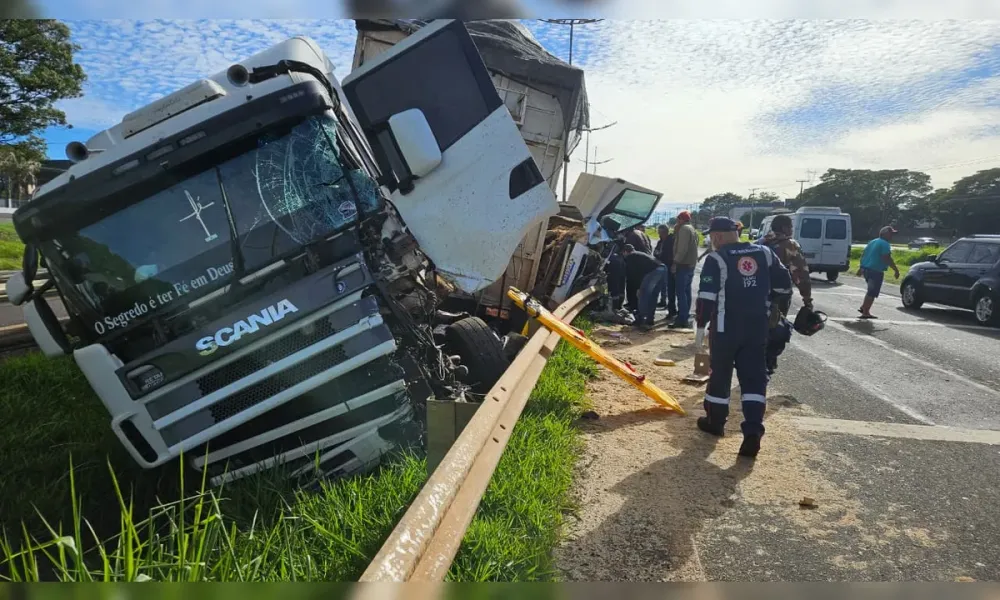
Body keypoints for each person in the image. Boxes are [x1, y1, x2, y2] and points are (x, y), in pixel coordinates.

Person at [694, 217, 793, 459]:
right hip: (757, 329)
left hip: (726, 329)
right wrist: (770, 307)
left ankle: (715, 422)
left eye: (711, 236)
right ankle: (752, 431)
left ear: (717, 236)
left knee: (720, 377)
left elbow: (706, 299)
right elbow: (784, 286)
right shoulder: (764, 253)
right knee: (754, 379)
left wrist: (699, 329)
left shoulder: (716, 259)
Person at [758, 214, 814, 374]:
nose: (791, 230)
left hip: (757, 294)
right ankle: (768, 364)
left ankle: (756, 359)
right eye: (790, 227)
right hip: (779, 296)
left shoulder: (760, 243)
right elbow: (801, 274)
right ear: (784, 228)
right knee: (776, 330)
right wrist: (807, 298)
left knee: (758, 328)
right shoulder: (790, 245)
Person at [858, 225, 900, 319]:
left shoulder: (873, 241)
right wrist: (896, 270)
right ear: (885, 234)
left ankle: (864, 307)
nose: (892, 236)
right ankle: (865, 312)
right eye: (891, 234)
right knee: (872, 292)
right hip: (875, 270)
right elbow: (886, 258)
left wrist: (861, 268)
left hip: (866, 269)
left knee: (870, 290)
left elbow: (864, 255)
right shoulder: (885, 244)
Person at [622, 243, 665, 331]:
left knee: (643, 295)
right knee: (653, 296)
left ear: (625, 252)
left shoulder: (630, 257)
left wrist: (638, 288)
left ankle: (642, 320)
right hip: (663, 269)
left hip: (654, 271)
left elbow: (635, 275)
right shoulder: (639, 254)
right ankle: (649, 320)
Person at [670, 210, 699, 329]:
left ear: (681, 219)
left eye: (678, 220)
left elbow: (682, 249)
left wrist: (675, 263)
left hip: (683, 265)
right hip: (690, 265)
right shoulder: (692, 229)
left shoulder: (684, 230)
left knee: (681, 293)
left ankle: (682, 318)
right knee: (686, 292)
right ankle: (685, 317)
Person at [653, 223, 677, 317]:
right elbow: (656, 252)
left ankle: (671, 309)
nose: (659, 235)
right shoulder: (660, 242)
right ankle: (663, 301)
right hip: (661, 265)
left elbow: (669, 254)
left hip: (669, 266)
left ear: (665, 232)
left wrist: (660, 255)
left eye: (660, 233)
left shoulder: (671, 240)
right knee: (661, 285)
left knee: (670, 288)